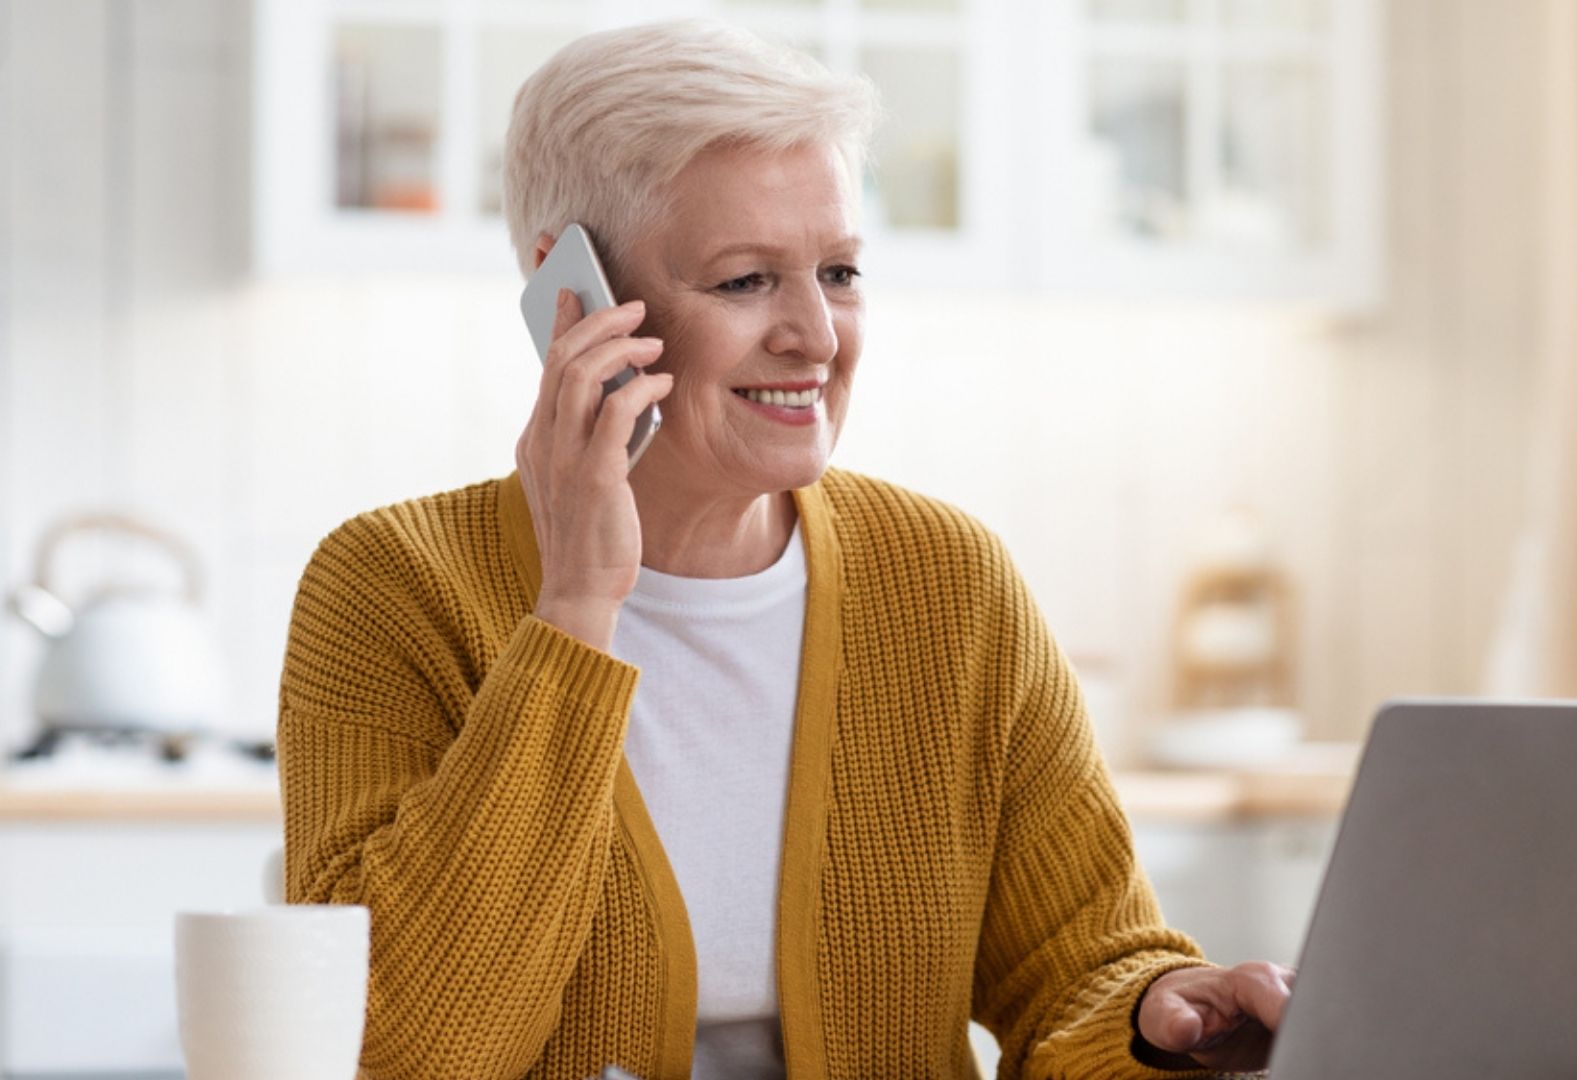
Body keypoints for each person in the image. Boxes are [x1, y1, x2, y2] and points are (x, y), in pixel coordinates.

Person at [278, 18, 1290, 1080]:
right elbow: (393, 1046)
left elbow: (1082, 968)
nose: (816, 333)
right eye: (746, 280)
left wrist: (1158, 1015)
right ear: (569, 297)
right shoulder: (391, 585)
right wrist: (576, 605)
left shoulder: (949, 581)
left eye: (840, 271)